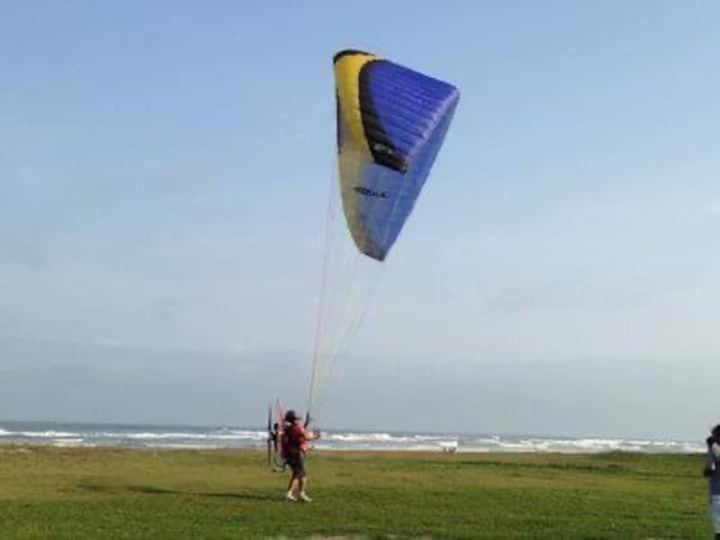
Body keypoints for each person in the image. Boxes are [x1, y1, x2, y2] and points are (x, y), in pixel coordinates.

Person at [282, 409, 318, 502]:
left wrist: (307, 422)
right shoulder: (296, 428)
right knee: (298, 474)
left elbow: (301, 434)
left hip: (290, 453)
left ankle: (302, 493)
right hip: (294, 454)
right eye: (297, 418)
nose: (299, 419)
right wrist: (315, 436)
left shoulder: (290, 428)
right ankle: (289, 493)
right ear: (294, 419)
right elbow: (305, 436)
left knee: (302, 475)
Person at [703, 424, 720, 539]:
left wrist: (711, 447)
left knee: (718, 530)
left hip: (717, 493)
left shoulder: (714, 449)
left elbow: (709, 469)